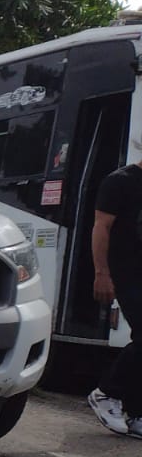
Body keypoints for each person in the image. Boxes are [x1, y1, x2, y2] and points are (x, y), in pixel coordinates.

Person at [89, 155, 142, 437]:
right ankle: (106, 393)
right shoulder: (120, 181)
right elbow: (101, 228)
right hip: (127, 273)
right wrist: (102, 273)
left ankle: (136, 412)